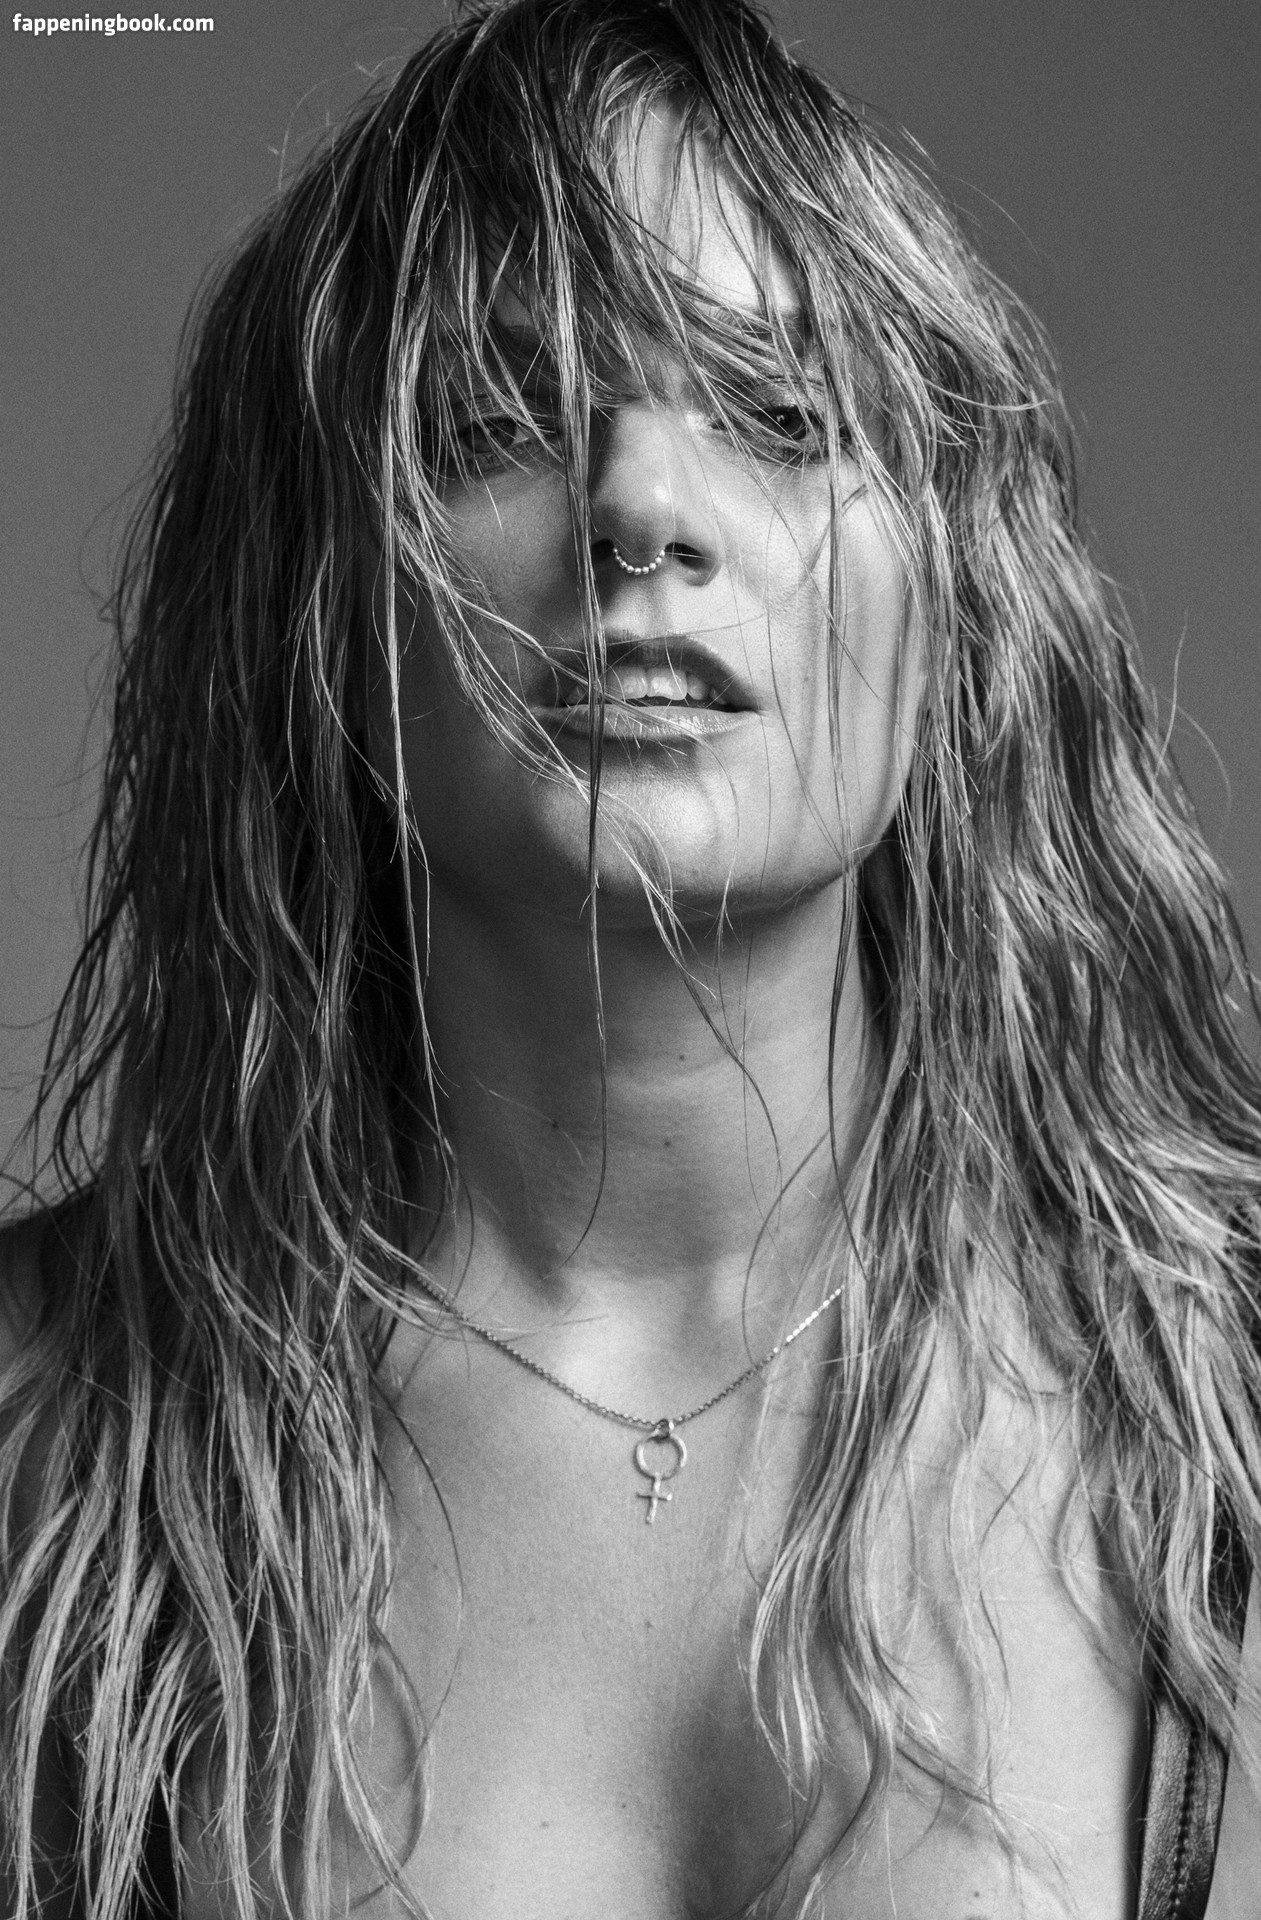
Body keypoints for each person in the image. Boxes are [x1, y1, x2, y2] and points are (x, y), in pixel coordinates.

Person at [2, 0, 1260, 1914]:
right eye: (495, 427)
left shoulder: (1220, 1407)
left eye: (778, 415)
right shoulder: (42, 1437)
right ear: (317, 605)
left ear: (959, 590)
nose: (639, 511)